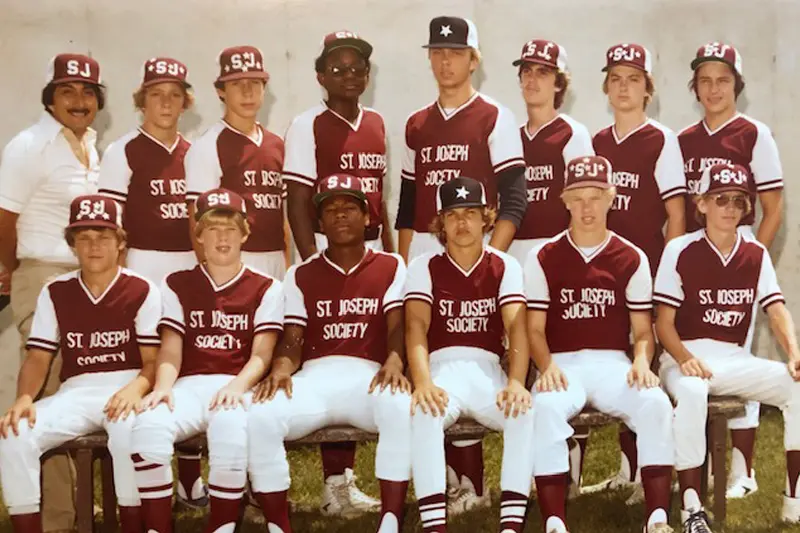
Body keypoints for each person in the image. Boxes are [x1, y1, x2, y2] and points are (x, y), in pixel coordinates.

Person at [395, 16, 527, 512]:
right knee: (438, 363)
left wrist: (490, 261)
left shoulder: (495, 116)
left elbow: (514, 198)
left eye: (455, 52)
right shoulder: (416, 123)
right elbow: (408, 204)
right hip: (431, 252)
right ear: (430, 58)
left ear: (474, 60)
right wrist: (405, 262)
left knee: (478, 357)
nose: (445, 60)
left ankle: (472, 482)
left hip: (480, 249)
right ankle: (459, 482)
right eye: (437, 52)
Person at [248, 174, 410, 533]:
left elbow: (398, 325)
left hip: (368, 374)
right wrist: (281, 367)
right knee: (261, 415)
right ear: (319, 223)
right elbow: (293, 338)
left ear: (368, 217)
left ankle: (390, 521)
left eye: (349, 207)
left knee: (399, 408)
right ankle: (278, 525)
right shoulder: (301, 273)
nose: (339, 215)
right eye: (330, 209)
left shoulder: (391, 265)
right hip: (317, 377)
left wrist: (396, 359)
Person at [526, 155, 674, 533]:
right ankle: (555, 521)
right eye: (577, 197)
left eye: (595, 196)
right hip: (562, 363)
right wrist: (546, 366)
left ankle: (656, 518)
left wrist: (642, 361)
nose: (586, 207)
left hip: (611, 363)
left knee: (655, 402)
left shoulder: (631, 256)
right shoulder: (542, 256)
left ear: (612, 198)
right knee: (544, 408)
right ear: (563, 200)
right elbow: (535, 329)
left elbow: (643, 332)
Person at [653, 162, 800, 532]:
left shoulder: (755, 253)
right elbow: (662, 324)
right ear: (700, 203)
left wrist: (795, 353)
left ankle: (794, 499)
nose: (730, 208)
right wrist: (685, 358)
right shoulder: (679, 249)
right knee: (691, 390)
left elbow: (776, 310)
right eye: (720, 199)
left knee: (797, 386)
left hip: (732, 356)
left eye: (739, 200)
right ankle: (691, 508)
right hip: (682, 354)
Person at [0, 195, 160, 533]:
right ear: (72, 246)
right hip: (77, 389)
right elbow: (39, 356)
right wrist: (25, 398)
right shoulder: (55, 290)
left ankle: (134, 526)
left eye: (103, 236)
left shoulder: (142, 289)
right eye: (83, 238)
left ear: (120, 242)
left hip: (126, 384)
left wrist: (136, 388)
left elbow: (152, 362)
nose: (94, 246)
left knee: (128, 432)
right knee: (14, 434)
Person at [282, 31, 393, 515]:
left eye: (357, 68)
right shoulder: (307, 124)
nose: (349, 76)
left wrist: (388, 249)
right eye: (338, 68)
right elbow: (299, 200)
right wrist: (312, 261)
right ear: (320, 76)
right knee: (328, 354)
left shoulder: (377, 123)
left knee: (362, 356)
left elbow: (381, 199)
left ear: (367, 76)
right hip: (328, 252)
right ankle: (332, 484)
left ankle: (347, 481)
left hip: (370, 254)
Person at [130, 189, 284, 533]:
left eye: (231, 228)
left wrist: (237, 386)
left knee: (230, 430)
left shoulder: (267, 287)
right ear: (198, 236)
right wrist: (163, 388)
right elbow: (170, 348)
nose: (222, 237)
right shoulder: (177, 283)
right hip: (188, 384)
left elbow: (262, 354)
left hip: (237, 383)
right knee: (149, 427)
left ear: (245, 233)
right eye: (212, 229)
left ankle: (222, 527)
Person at [0, 53, 104, 533]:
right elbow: (5, 218)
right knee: (49, 392)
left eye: (86, 92)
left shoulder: (92, 145)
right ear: (50, 98)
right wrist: (9, 268)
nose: (78, 101)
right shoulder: (28, 145)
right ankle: (59, 520)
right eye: (67, 92)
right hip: (43, 272)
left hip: (88, 276)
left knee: (84, 387)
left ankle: (82, 508)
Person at [97, 56, 207, 509]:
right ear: (141, 101)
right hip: (143, 264)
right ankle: (133, 479)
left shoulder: (195, 151)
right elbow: (109, 226)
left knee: (192, 365)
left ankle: (189, 479)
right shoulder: (122, 150)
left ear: (186, 101)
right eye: (156, 94)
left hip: (186, 265)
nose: (165, 102)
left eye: (175, 94)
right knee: (141, 363)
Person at [678, 42, 784, 499]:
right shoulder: (681, 139)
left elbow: (774, 208)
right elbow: (680, 212)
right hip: (697, 266)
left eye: (723, 79)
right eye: (705, 80)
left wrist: (748, 262)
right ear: (695, 87)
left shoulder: (754, 134)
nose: (714, 88)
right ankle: (693, 468)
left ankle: (743, 469)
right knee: (697, 371)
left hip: (739, 266)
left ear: (736, 84)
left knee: (742, 363)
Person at [583, 43, 687, 501]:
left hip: (647, 268)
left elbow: (677, 216)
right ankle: (629, 471)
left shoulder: (661, 139)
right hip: (606, 272)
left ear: (649, 89)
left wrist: (667, 277)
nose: (624, 87)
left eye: (634, 79)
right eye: (616, 78)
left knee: (650, 368)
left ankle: (660, 470)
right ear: (606, 87)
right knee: (623, 364)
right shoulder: (597, 142)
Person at [405, 177, 534, 533]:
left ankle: (511, 525)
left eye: (471, 214)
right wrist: (423, 383)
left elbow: (517, 328)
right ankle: (435, 526)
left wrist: (516, 383)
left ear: (485, 219)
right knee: (425, 414)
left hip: (487, 368)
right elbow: (415, 327)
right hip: (441, 368)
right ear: (441, 223)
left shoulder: (504, 265)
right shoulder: (423, 266)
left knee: (523, 412)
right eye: (453, 215)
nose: (462, 223)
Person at [185, 45, 289, 280]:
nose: (247, 92)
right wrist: (212, 276)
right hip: (234, 260)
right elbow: (197, 219)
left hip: (274, 259)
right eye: (236, 84)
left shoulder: (277, 144)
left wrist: (286, 263)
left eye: (254, 83)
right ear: (221, 91)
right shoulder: (207, 145)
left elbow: (282, 219)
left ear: (264, 88)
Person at [508, 38, 594, 266]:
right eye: (527, 71)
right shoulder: (510, 136)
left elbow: (584, 200)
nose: (532, 80)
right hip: (514, 251)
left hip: (557, 251)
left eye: (542, 73)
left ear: (558, 83)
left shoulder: (573, 133)